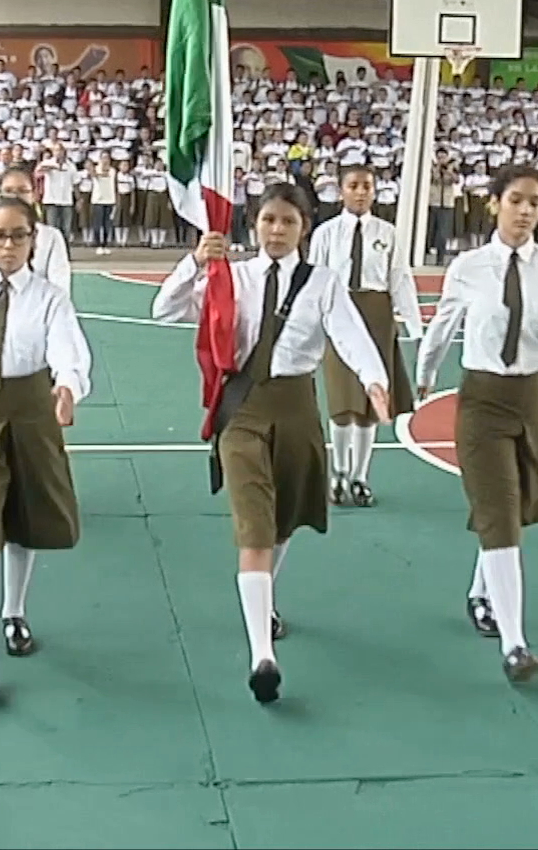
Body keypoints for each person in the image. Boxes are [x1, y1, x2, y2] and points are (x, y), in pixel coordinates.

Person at [150, 183, 390, 706]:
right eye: (267, 221)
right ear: (253, 225)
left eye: (287, 221)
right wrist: (195, 262)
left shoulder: (323, 283)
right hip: (242, 409)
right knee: (254, 527)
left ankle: (266, 603)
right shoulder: (229, 278)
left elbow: (349, 335)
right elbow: (164, 310)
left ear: (305, 226)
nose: (276, 231)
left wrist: (375, 380)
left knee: (283, 519)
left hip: (297, 408)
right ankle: (263, 656)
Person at [414, 164, 538, 685]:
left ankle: (481, 592)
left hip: (533, 396)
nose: (526, 211)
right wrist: (424, 373)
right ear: (494, 203)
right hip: (482, 400)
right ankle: (515, 642)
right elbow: (443, 325)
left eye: (535, 203)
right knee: (496, 507)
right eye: (517, 200)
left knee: (521, 501)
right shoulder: (469, 267)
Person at [0, 197, 91, 699]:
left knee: (23, 520)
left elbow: (67, 351)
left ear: (34, 239)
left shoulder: (49, 298)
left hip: (31, 412)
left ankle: (15, 610)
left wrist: (68, 387)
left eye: (19, 236)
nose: (8, 245)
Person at [306, 165, 421, 507]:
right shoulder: (326, 233)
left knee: (372, 399)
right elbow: (314, 278)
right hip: (338, 312)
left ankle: (360, 476)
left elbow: (399, 277)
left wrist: (415, 326)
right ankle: (338, 472)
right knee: (342, 401)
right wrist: (309, 326)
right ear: (340, 190)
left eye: (367, 186)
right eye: (353, 186)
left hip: (377, 315)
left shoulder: (387, 232)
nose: (360, 192)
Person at [0, 164, 71, 295]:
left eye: (22, 190)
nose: (15, 196)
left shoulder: (51, 238)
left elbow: (60, 288)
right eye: (8, 191)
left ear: (33, 195)